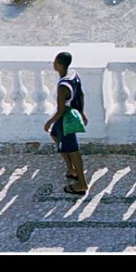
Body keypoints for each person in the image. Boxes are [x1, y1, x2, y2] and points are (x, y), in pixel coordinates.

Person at [44, 51, 89, 196]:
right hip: (69, 115)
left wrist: (49, 122)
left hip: (65, 119)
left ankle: (81, 183)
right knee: (55, 135)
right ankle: (71, 169)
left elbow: (61, 110)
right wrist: (81, 112)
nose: (53, 64)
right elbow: (81, 94)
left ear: (60, 65)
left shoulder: (62, 86)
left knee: (73, 151)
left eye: (55, 62)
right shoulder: (74, 75)